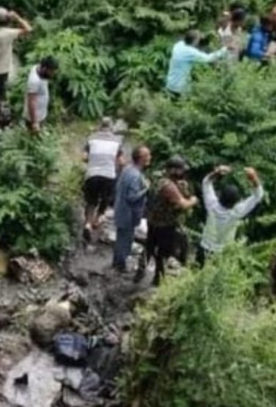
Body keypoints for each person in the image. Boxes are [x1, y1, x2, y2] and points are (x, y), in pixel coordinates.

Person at [138, 155, 197, 286]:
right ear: (173, 170)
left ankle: (140, 271)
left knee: (149, 246)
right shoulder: (169, 186)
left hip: (152, 219)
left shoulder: (157, 176)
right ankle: (158, 279)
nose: (182, 173)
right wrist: (193, 200)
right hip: (164, 224)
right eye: (180, 170)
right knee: (163, 252)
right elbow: (183, 204)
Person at [198, 165, 265, 265]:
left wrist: (217, 172)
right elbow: (258, 195)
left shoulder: (211, 205)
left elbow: (206, 182)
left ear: (220, 195)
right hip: (223, 252)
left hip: (205, 248)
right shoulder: (236, 212)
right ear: (236, 202)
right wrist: (253, 177)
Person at [82, 117, 124, 238]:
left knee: (91, 200)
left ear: (100, 126)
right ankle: (98, 218)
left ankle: (88, 224)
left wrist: (93, 162)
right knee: (106, 198)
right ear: (111, 128)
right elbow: (121, 162)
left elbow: (84, 157)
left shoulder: (91, 138)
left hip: (92, 174)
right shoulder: (117, 141)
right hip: (109, 175)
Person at [112, 145, 151, 273]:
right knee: (125, 240)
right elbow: (132, 197)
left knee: (121, 238)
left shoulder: (127, 169)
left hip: (120, 209)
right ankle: (121, 266)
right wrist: (146, 189)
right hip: (128, 213)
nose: (150, 157)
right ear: (141, 159)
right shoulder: (135, 175)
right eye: (148, 155)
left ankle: (116, 263)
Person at [165, 30, 226, 96]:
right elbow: (209, 58)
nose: (198, 41)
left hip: (170, 84)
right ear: (194, 41)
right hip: (179, 88)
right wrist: (225, 49)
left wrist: (201, 35)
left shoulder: (178, 45)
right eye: (198, 39)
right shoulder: (190, 52)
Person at [25, 56, 59, 133]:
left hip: (41, 115)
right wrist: (35, 122)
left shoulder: (40, 70)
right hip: (35, 118)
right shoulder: (34, 81)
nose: (53, 74)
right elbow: (31, 102)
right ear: (44, 68)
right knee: (34, 140)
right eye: (52, 71)